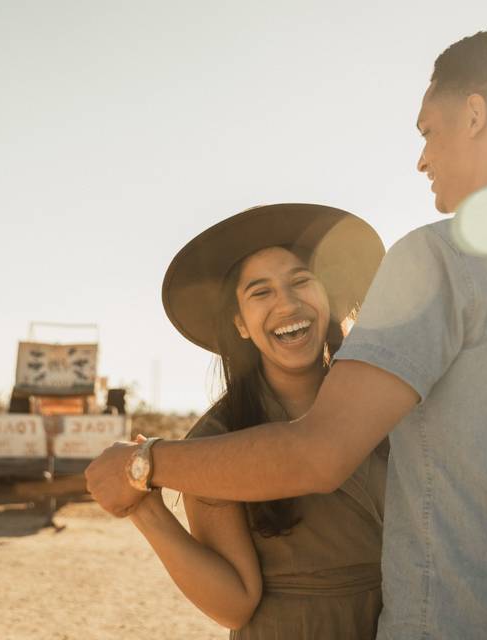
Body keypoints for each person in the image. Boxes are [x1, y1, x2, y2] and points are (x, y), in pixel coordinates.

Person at [88, 29, 487, 640]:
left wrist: (144, 465)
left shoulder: (437, 259)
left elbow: (319, 454)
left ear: (473, 115)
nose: (422, 158)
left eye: (427, 130)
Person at [127, 203, 388, 638]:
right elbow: (234, 604)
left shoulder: (381, 402)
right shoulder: (215, 440)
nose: (287, 304)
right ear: (241, 324)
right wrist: (144, 511)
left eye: (301, 281)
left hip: (398, 622)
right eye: (261, 292)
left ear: (327, 297)